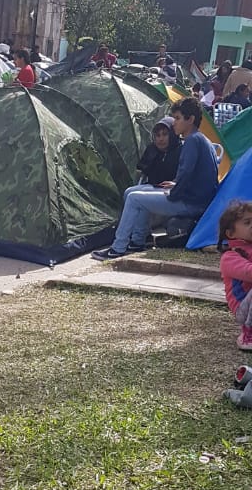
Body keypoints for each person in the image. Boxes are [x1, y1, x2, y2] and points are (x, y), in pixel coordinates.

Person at [93, 97, 219, 260]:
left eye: (178, 118)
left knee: (133, 198)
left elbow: (186, 174)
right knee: (135, 191)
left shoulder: (192, 141)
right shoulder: (199, 138)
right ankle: (137, 242)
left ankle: (117, 248)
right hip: (193, 197)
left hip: (191, 203)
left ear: (191, 119)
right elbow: (193, 175)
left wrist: (172, 193)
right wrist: (174, 184)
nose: (174, 123)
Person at [218, 200, 252, 352]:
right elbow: (249, 272)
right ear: (230, 233)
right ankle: (248, 333)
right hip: (243, 308)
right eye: (247, 222)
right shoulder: (230, 257)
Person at [136, 116, 181, 187]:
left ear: (173, 134)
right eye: (158, 135)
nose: (161, 139)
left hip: (171, 189)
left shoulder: (180, 151)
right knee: (128, 191)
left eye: (165, 134)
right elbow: (142, 170)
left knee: (132, 196)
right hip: (152, 186)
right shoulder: (151, 149)